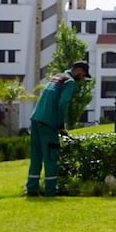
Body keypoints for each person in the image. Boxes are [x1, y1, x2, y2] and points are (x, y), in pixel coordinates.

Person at [26, 61, 90, 197]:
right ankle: (50, 191)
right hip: (49, 123)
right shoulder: (69, 82)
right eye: (83, 75)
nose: (82, 78)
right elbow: (63, 103)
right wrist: (61, 125)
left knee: (36, 157)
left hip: (36, 119)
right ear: (78, 70)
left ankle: (31, 190)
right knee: (51, 157)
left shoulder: (57, 77)